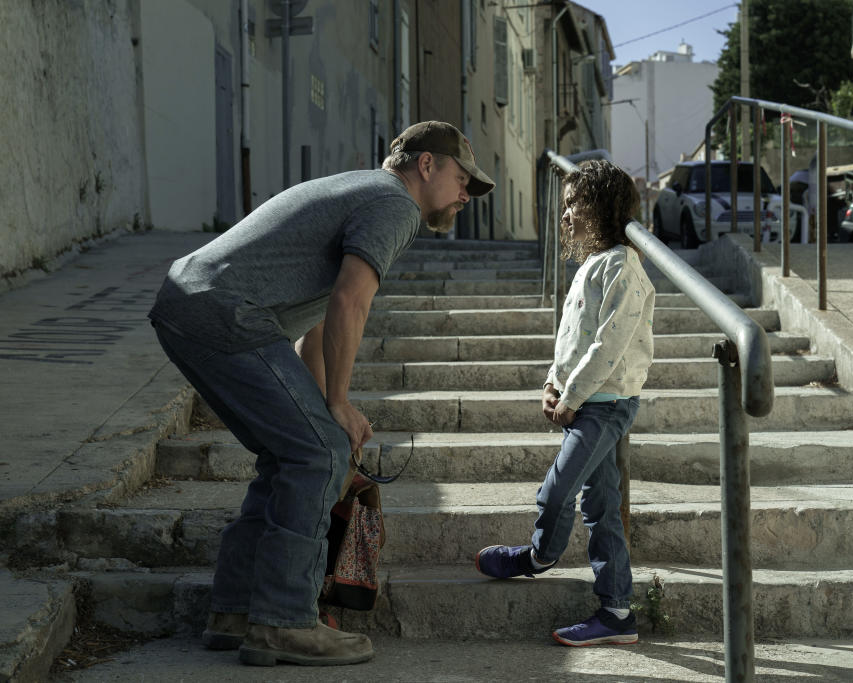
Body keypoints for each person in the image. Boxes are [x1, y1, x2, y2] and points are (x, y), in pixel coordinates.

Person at [148, 121, 493, 667]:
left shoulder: (357, 190)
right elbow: (349, 303)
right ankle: (284, 622)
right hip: (227, 314)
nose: (466, 194)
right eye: (462, 178)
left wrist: (321, 410)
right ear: (426, 166)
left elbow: (316, 325)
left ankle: (235, 611)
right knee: (317, 453)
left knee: (296, 450)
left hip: (190, 303)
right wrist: (337, 405)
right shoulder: (395, 205)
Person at [474, 159, 655, 647]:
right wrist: (553, 383)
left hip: (606, 403)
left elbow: (609, 344)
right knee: (601, 506)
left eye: (576, 203)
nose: (567, 214)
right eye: (566, 204)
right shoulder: (590, 267)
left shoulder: (623, 266)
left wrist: (572, 396)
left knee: (555, 493)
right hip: (584, 399)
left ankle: (539, 556)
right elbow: (572, 340)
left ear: (604, 207)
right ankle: (618, 613)